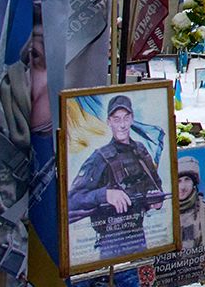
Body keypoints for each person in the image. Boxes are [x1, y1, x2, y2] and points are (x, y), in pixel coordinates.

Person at [67, 94, 165, 261]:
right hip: (112, 241)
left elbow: (156, 186)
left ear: (132, 119)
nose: (122, 125)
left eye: (126, 118)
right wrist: (105, 194)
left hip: (138, 236)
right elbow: (72, 200)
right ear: (109, 122)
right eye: (117, 119)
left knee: (141, 277)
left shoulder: (140, 151)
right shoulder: (100, 157)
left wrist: (155, 200)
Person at [175, 155, 205, 254]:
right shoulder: (164, 213)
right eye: (178, 181)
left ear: (194, 183)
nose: (182, 187)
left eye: (187, 179)